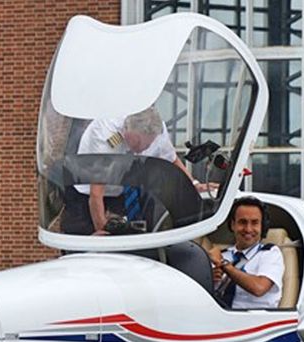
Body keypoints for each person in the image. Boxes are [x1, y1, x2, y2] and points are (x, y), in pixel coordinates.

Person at [63, 107, 197, 235]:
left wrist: (193, 185)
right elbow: (96, 195)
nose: (141, 150)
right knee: (87, 246)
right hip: (85, 197)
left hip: (120, 194)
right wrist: (102, 233)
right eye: (138, 144)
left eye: (147, 146)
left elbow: (172, 160)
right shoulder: (105, 133)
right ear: (127, 130)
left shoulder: (158, 130)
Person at [208, 196, 284, 309]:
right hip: (219, 319)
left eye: (254, 223)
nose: (248, 229)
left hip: (257, 322)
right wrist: (210, 279)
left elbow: (259, 288)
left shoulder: (270, 253)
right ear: (233, 225)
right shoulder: (222, 255)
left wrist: (225, 265)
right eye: (242, 222)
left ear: (262, 226)